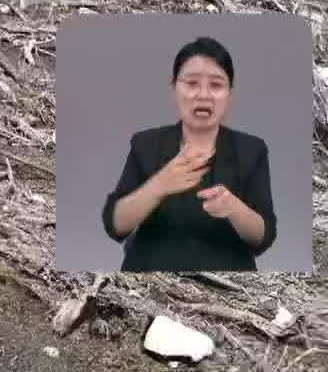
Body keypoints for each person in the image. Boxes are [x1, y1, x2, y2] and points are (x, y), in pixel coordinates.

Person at [101, 36, 278, 271]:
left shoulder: (251, 150)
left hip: (228, 282)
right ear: (174, 88)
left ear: (230, 95)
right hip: (150, 278)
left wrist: (234, 208)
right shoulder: (145, 145)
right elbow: (115, 226)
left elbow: (263, 238)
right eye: (191, 83)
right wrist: (159, 185)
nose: (203, 95)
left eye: (216, 85)